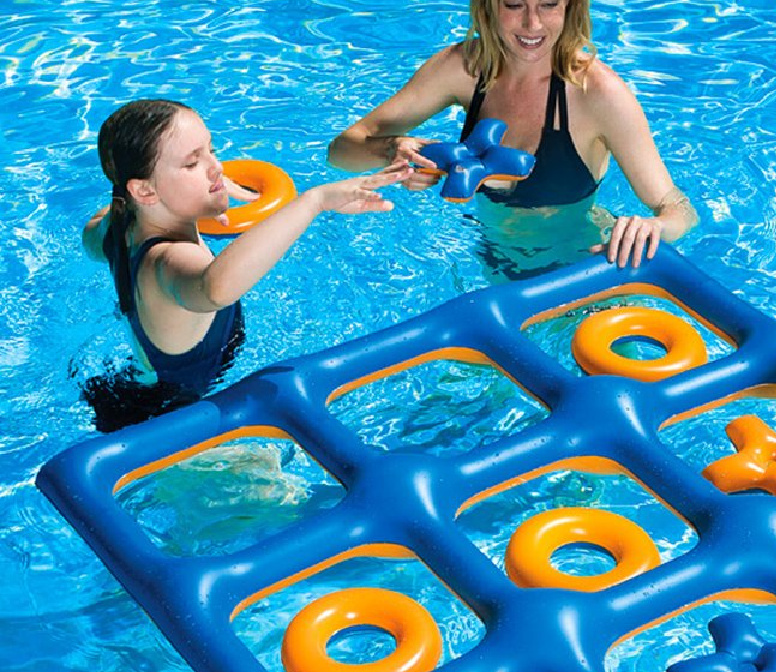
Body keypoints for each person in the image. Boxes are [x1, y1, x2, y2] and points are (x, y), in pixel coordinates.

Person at [82, 98, 407, 430]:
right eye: (193, 163)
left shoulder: (117, 227)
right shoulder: (167, 260)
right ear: (145, 191)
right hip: (178, 427)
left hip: (140, 395)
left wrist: (202, 195)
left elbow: (93, 232)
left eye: (212, 150)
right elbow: (216, 288)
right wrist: (314, 202)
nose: (217, 168)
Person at [326, 0, 697, 271]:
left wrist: (653, 226)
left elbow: (679, 209)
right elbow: (341, 151)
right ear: (489, 7)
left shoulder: (596, 93)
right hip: (492, 265)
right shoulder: (466, 68)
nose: (532, 24)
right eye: (515, 5)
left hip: (584, 273)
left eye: (549, 5)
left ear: (571, 8)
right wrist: (394, 149)